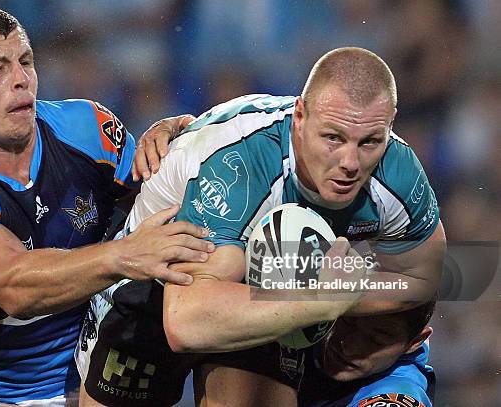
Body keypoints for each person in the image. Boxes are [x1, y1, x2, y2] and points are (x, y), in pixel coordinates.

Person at [77, 47, 447, 407]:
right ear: (299, 116)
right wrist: (325, 297)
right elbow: (186, 322)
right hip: (152, 287)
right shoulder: (241, 164)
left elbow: (424, 278)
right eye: (333, 138)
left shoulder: (400, 176)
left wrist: (347, 288)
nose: (350, 162)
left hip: (269, 289)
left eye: (370, 142)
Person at [0, 6, 213, 406]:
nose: (21, 80)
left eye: (26, 61)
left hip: (95, 380)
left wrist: (175, 141)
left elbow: (157, 199)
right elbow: (13, 285)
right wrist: (123, 256)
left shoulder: (89, 129)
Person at [298, 300, 436, 407]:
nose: (349, 348)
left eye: (376, 340)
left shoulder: (396, 394)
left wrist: (283, 376)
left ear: (414, 342)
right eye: (347, 322)